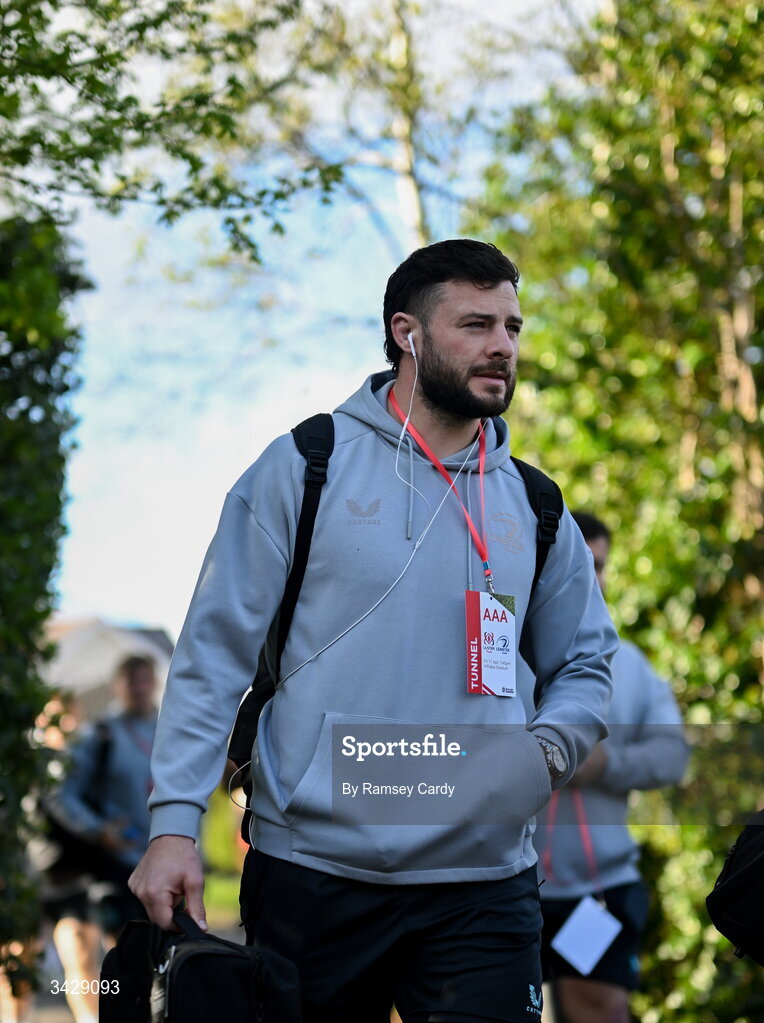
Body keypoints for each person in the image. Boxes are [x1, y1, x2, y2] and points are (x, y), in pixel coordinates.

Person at [130, 238, 619, 1023]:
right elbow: (212, 657)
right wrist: (173, 826)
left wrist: (545, 752)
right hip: (313, 877)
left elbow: (588, 663)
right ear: (407, 334)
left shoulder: (535, 503)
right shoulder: (304, 466)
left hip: (482, 883)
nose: (503, 345)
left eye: (514, 327)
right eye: (476, 324)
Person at [533, 512, 689, 1023]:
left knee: (599, 1010)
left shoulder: (632, 665)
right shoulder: (499, 648)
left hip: (595, 892)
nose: (591, 575)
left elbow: (674, 757)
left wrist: (605, 764)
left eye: (599, 564)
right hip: (504, 884)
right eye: (581, 560)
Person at [44, 655, 158, 1023]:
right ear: (117, 686)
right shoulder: (102, 734)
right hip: (119, 869)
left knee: (165, 964)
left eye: (146, 679)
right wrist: (98, 829)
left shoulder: (172, 730)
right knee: (121, 962)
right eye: (131, 680)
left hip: (168, 865)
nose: (139, 688)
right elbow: (60, 792)